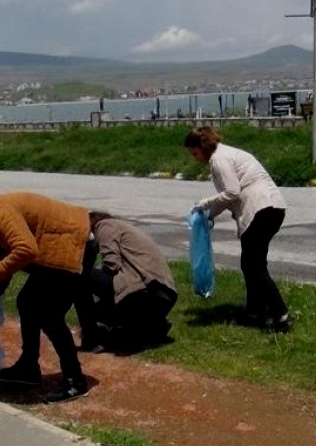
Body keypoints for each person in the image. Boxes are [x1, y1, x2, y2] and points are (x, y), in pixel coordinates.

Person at [0, 192, 97, 403]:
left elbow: (25, 249)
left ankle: (75, 381)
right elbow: (2, 259)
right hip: (56, 247)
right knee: (27, 302)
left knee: (49, 315)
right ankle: (28, 368)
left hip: (74, 246)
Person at [184, 126, 291, 333]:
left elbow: (232, 192)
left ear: (203, 147)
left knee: (254, 266)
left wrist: (205, 204)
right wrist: (210, 215)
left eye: (195, 153)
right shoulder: (226, 153)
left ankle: (281, 315)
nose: (195, 158)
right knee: (252, 263)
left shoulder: (218, 159)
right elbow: (229, 195)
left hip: (260, 208)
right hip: (272, 207)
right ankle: (254, 312)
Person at [74, 211, 178, 353]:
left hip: (144, 292)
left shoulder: (104, 226)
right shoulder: (124, 229)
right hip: (164, 296)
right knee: (98, 310)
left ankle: (92, 338)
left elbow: (111, 265)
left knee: (77, 275)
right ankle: (151, 326)